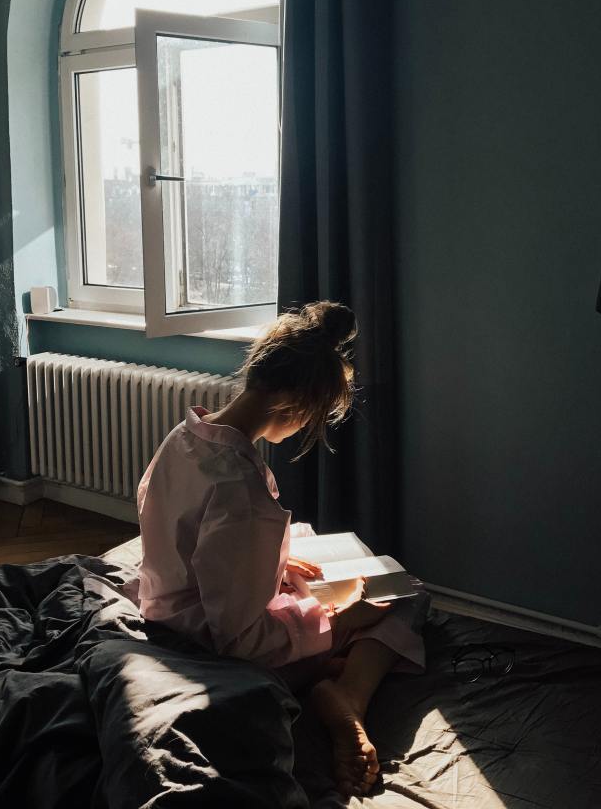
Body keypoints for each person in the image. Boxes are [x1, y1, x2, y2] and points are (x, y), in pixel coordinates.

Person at [128, 301, 428, 798]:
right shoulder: (240, 490)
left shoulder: (186, 436)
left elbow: (190, 535)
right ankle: (347, 696)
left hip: (167, 604)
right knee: (408, 595)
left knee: (334, 573)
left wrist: (276, 560)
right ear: (295, 406)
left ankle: (334, 675)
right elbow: (241, 640)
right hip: (206, 642)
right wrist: (335, 616)